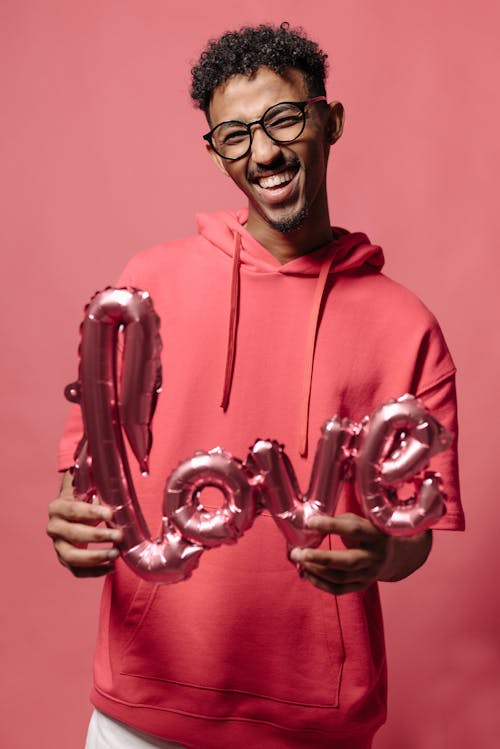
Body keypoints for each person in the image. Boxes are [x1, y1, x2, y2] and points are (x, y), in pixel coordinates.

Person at [47, 22, 465, 749]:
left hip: (314, 726)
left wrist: (383, 552)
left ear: (329, 121)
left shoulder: (409, 328)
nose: (264, 152)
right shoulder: (147, 284)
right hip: (140, 714)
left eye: (282, 119)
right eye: (234, 135)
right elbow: (81, 483)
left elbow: (412, 542)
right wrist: (70, 524)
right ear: (216, 154)